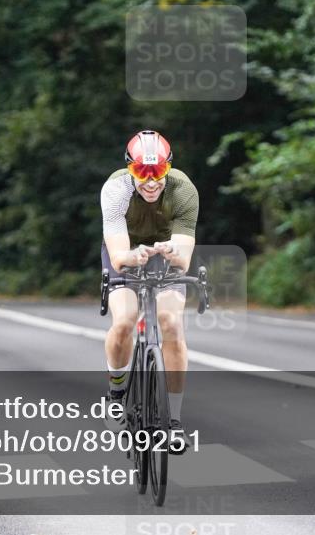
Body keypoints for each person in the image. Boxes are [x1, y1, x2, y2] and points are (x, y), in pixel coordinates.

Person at [100, 130, 198, 454]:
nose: (151, 181)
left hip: (165, 256)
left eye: (158, 171)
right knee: (125, 320)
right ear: (129, 168)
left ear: (169, 167)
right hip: (126, 252)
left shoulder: (183, 190)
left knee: (171, 324)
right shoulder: (116, 189)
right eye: (142, 172)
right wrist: (131, 256)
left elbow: (184, 258)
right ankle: (116, 394)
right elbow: (118, 256)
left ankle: (174, 421)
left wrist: (171, 251)